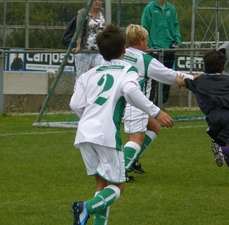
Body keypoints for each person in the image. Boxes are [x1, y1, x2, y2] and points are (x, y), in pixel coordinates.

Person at [69, 24, 174, 225]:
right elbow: (132, 93)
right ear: (124, 49)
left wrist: (89, 117)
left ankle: (93, 217)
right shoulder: (127, 69)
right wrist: (156, 111)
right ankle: (86, 207)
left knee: (103, 186)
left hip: (84, 134)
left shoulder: (88, 74)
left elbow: (75, 104)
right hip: (105, 134)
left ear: (100, 51)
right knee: (118, 186)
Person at [122, 24, 194, 182]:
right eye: (146, 40)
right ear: (141, 40)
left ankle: (131, 160)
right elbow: (169, 75)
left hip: (122, 102)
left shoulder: (123, 53)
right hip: (136, 102)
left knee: (154, 126)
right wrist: (192, 78)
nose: (147, 43)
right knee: (135, 139)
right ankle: (119, 172)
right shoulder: (145, 60)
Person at [176, 50, 229, 185]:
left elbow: (180, 80)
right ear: (223, 67)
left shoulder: (200, 81)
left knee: (224, 146)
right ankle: (221, 151)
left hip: (212, 118)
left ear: (204, 66)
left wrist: (192, 76)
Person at [141, 0, 183, 106]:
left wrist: (178, 41)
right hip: (154, 49)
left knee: (167, 77)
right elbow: (144, 27)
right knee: (153, 79)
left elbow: (175, 26)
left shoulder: (171, 9)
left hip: (169, 48)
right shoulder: (149, 8)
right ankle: (150, 103)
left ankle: (161, 103)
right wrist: (149, 44)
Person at [72, 0, 105, 89]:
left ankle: (97, 99)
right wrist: (78, 45)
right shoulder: (83, 12)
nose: (97, 2)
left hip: (99, 50)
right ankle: (77, 100)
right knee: (81, 77)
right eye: (94, 0)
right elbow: (79, 29)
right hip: (84, 49)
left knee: (101, 75)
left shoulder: (102, 12)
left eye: (99, 0)